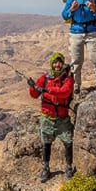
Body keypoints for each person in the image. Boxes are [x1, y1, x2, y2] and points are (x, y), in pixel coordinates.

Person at [27, 52, 75, 182]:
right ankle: (46, 168)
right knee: (46, 143)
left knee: (68, 142)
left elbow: (65, 92)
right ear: (51, 64)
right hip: (47, 117)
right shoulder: (45, 78)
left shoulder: (68, 78)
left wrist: (47, 90)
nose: (57, 65)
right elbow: (34, 95)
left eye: (59, 62)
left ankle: (69, 167)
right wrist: (32, 87)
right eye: (55, 62)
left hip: (62, 118)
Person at [61, 0, 96, 93]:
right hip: (76, 32)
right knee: (76, 60)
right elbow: (64, 15)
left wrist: (94, 9)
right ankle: (76, 84)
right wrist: (71, 9)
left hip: (92, 31)